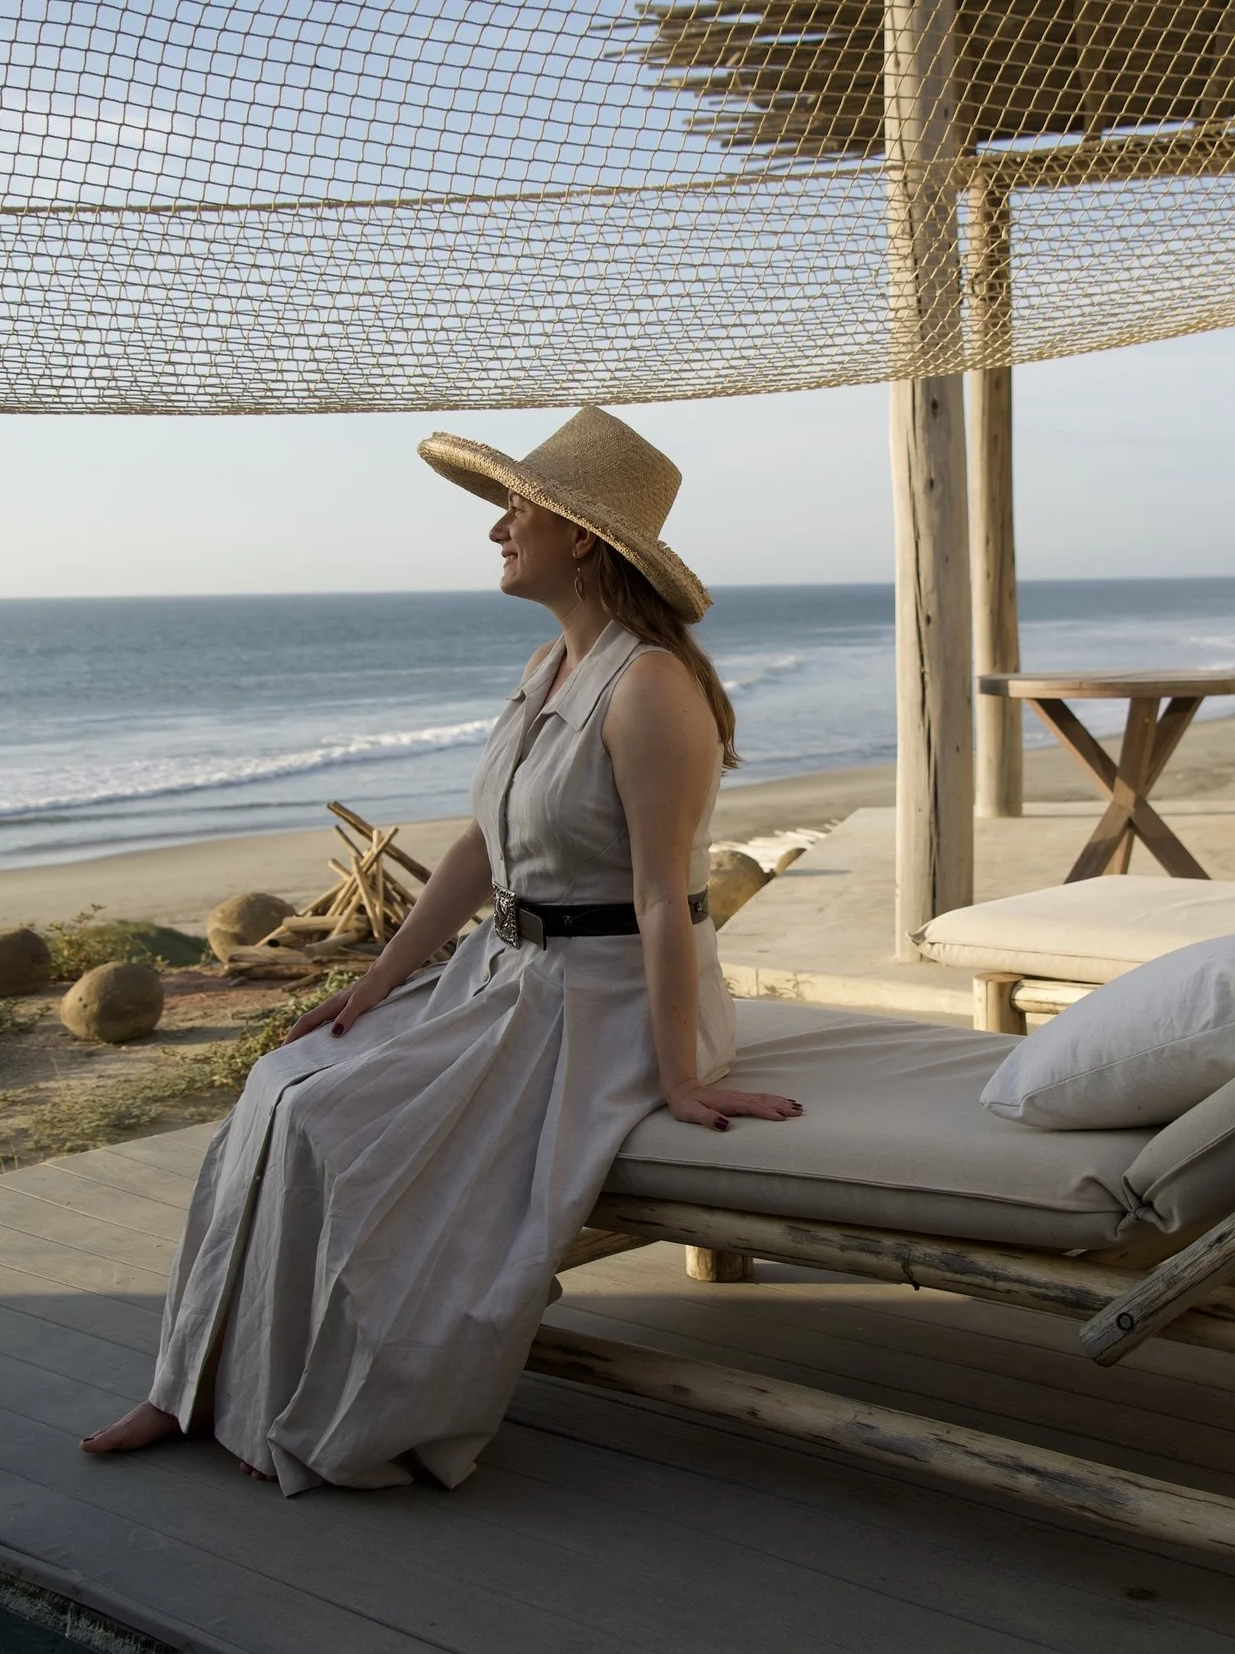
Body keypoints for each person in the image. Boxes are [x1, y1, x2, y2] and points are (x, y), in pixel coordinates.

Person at [80, 407, 798, 1491]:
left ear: (579, 536)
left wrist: (680, 1077)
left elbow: (661, 898)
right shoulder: (549, 664)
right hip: (507, 976)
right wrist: (374, 984)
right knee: (279, 1080)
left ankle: (303, 1391)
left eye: (517, 511)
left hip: (607, 1003)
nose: (497, 529)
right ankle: (193, 1384)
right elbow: (481, 846)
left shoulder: (650, 686)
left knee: (325, 1117)